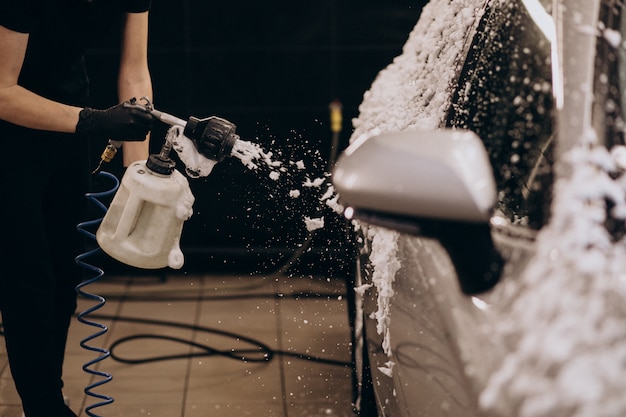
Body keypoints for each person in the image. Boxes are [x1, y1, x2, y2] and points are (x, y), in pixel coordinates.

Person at [0, 1, 154, 416]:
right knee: (28, 282)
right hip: (9, 135)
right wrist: (94, 121)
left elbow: (135, 70)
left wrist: (140, 176)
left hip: (68, 122)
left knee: (65, 272)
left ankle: (49, 395)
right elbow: (2, 91)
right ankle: (44, 405)